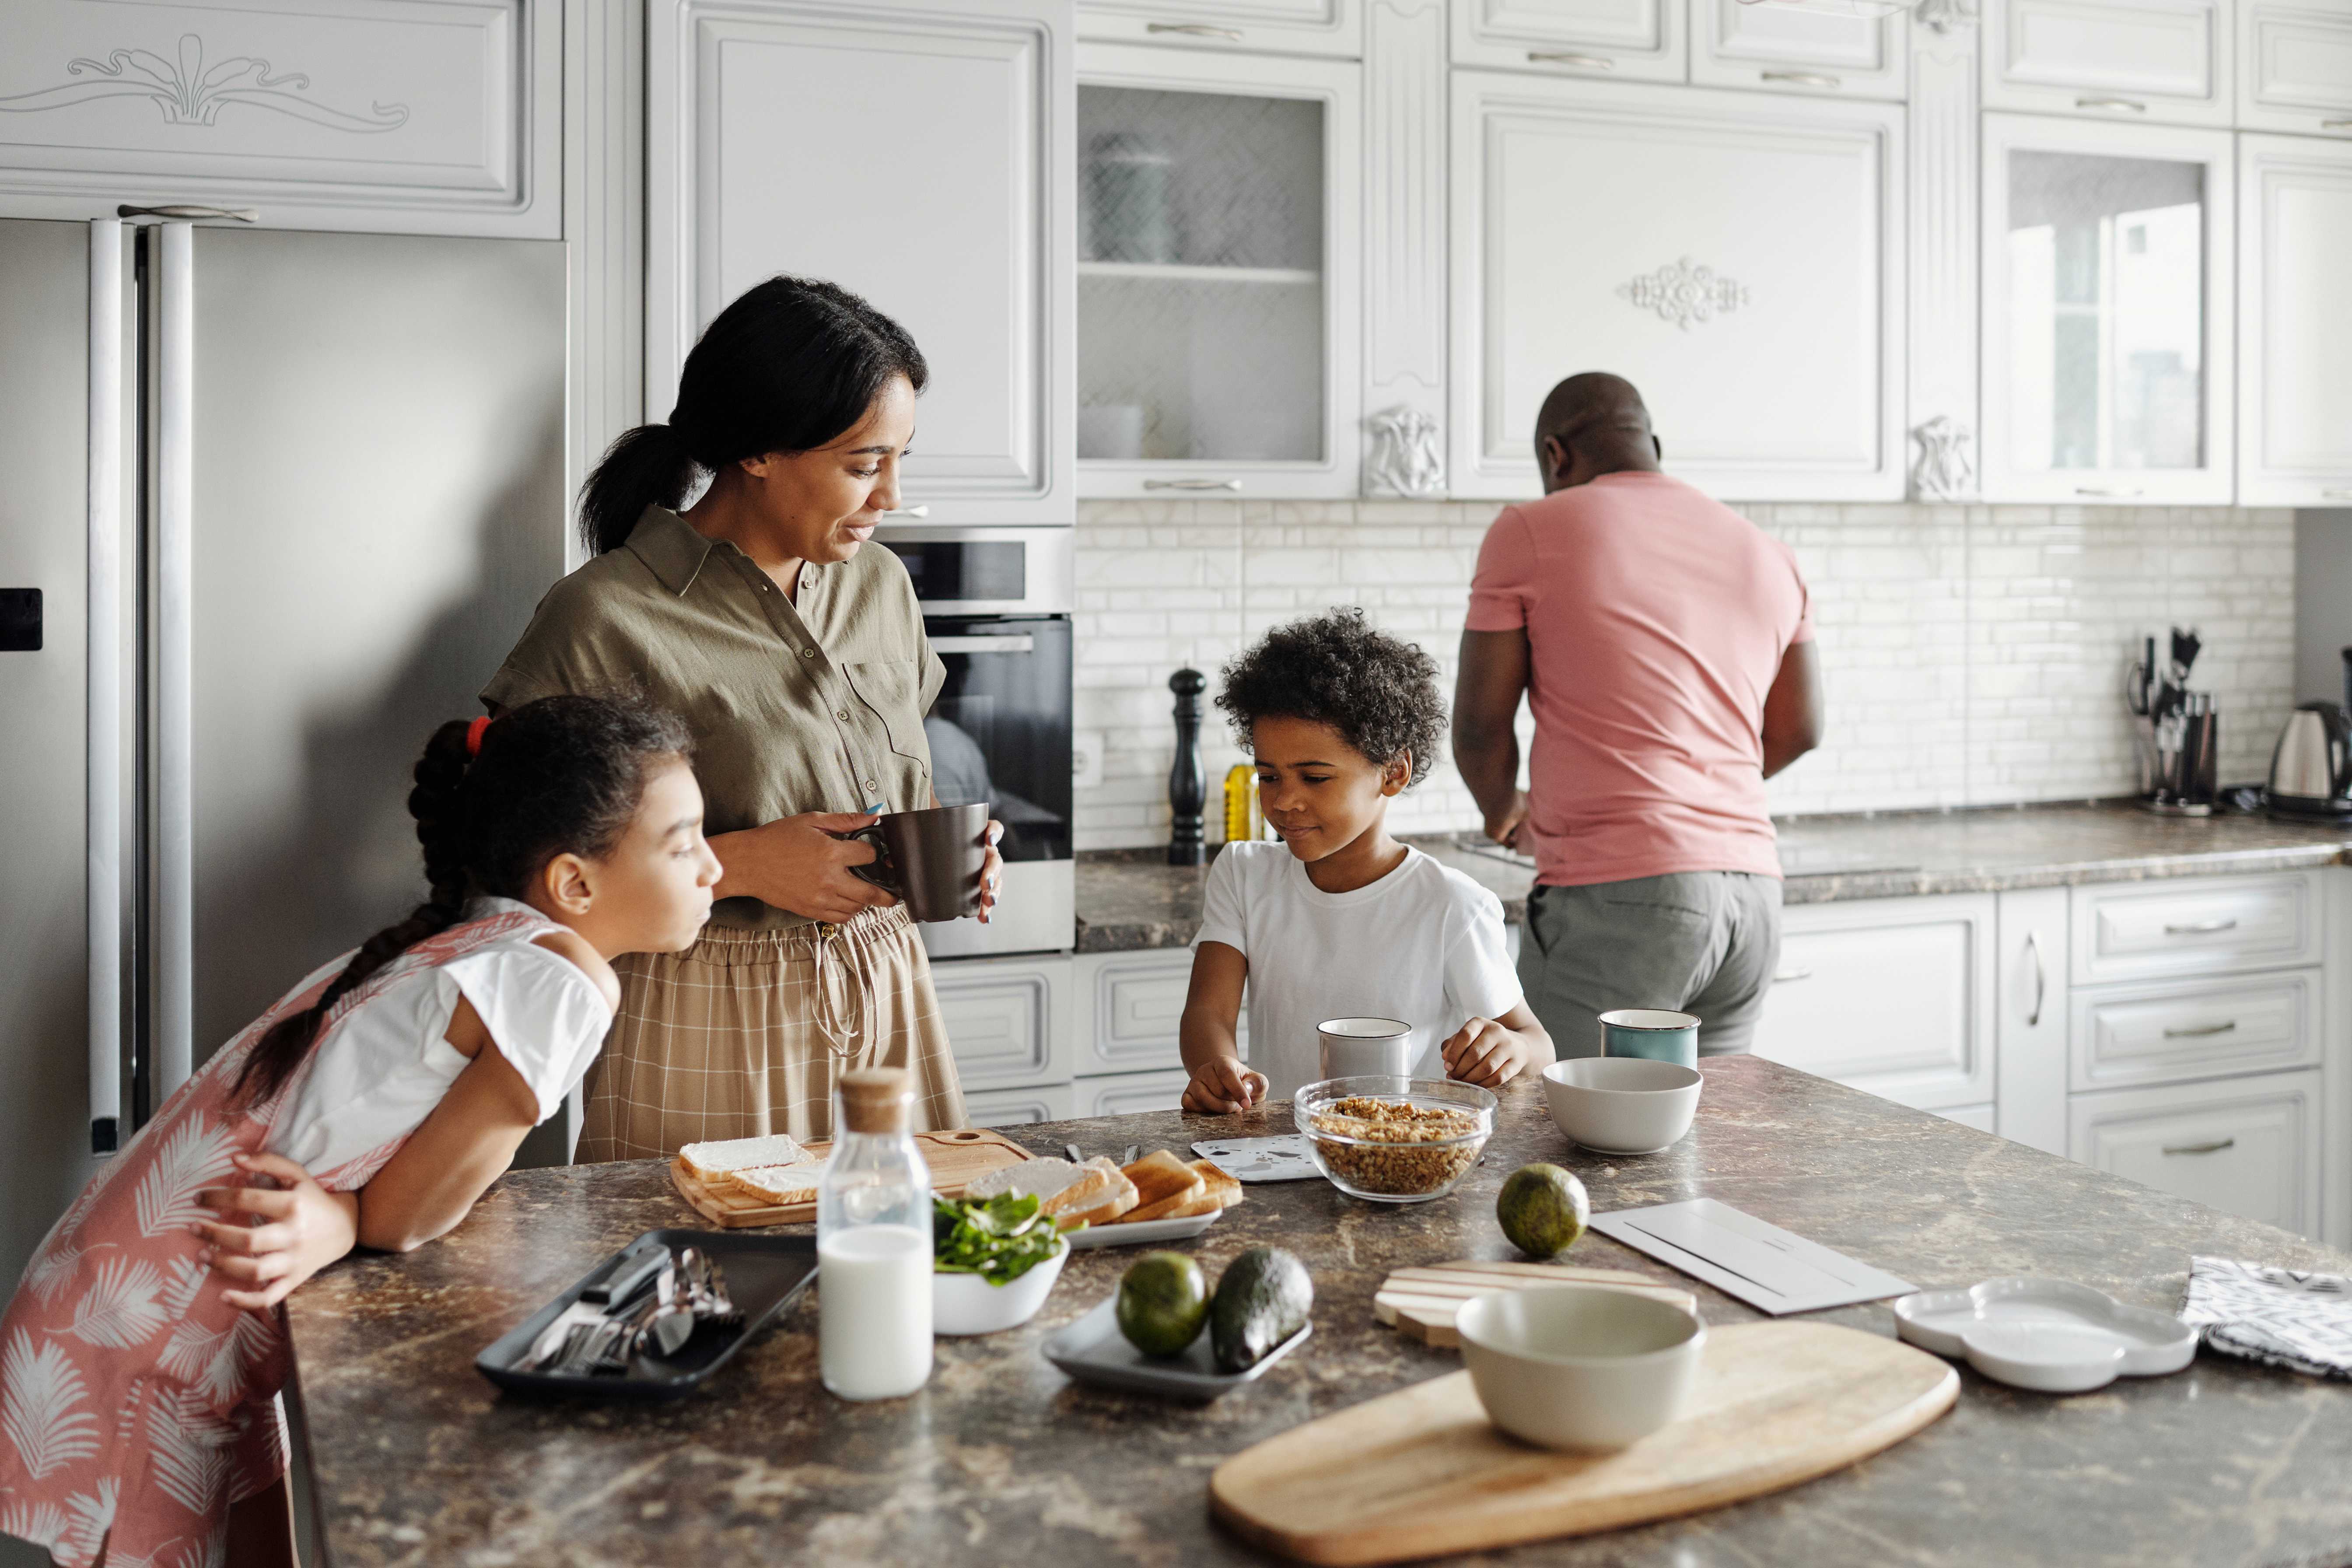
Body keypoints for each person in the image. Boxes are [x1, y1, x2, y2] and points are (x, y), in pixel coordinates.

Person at [0, 696, 718, 1568]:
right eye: (684, 845)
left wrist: (344, 1211)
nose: (714, 869)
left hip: (135, 1303)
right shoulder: (561, 983)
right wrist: (348, 1217)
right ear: (574, 883)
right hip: (151, 1349)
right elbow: (404, 1216)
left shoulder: (473, 940)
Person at [483, 276, 998, 1158]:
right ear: (758, 450)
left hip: (891, 988)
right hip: (701, 1009)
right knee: (712, 1283)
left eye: (899, 460)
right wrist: (739, 865)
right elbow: (516, 880)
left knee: (908, 1272)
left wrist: (946, 853)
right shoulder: (605, 616)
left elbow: (889, 775)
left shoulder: (881, 588)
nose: (891, 496)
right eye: (865, 464)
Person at [1451, 372, 1823, 1060]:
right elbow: (1802, 729)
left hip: (1621, 894)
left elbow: (1479, 725)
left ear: (1555, 455)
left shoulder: (1531, 529)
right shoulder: (1767, 551)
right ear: (1651, 443)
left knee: (1559, 1130)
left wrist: (1502, 810)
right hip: (1753, 899)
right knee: (1709, 1138)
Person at [1177, 609, 1553, 1111]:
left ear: (1393, 773)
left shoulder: (1451, 904)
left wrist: (1511, 1048)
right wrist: (1217, 1066)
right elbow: (1208, 1011)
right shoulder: (1244, 874)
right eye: (1269, 776)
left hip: (1402, 1153)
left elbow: (1536, 1042)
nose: (1285, 801)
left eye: (1314, 777)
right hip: (1282, 1150)